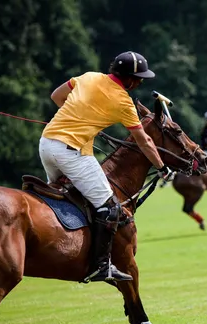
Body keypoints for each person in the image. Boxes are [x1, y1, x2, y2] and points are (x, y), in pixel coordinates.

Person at [39, 51, 175, 283]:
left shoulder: (89, 76)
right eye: (139, 78)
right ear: (130, 79)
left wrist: (81, 117)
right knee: (110, 207)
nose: (140, 82)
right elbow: (144, 141)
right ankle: (100, 266)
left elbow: (56, 96)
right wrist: (162, 168)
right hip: (71, 151)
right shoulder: (123, 101)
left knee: (69, 197)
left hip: (46, 144)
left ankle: (68, 247)